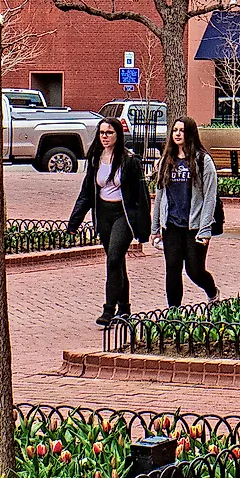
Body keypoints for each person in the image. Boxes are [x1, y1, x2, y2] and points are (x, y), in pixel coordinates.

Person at [65, 116, 148, 326]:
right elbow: (86, 193)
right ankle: (125, 309)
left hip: (123, 215)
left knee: (113, 259)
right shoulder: (95, 159)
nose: (105, 137)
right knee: (117, 263)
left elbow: (142, 196)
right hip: (103, 214)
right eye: (102, 133)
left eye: (109, 133)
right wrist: (74, 223)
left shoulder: (129, 161)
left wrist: (144, 228)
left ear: (118, 135)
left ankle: (109, 310)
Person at [154, 116, 221, 309]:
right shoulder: (167, 160)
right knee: (172, 269)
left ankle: (212, 292)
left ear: (190, 133)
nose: (177, 134)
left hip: (195, 226)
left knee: (195, 270)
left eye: (182, 130)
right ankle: (174, 311)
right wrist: (155, 227)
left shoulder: (202, 160)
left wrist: (205, 229)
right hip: (172, 225)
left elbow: (209, 197)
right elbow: (160, 194)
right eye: (175, 130)